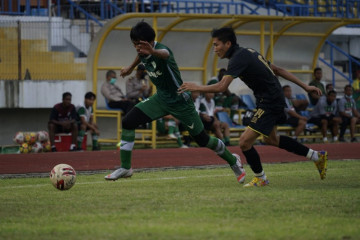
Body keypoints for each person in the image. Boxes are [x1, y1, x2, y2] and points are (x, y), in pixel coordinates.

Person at [179, 27, 328, 187]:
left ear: (228, 43)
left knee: (244, 142)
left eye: (216, 45)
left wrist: (196, 87)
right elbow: (277, 70)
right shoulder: (248, 52)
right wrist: (305, 86)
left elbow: (222, 87)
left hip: (270, 101)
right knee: (271, 139)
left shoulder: (237, 59)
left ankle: (261, 178)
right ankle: (316, 156)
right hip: (271, 99)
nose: (214, 49)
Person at [104, 22, 246, 184]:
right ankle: (125, 168)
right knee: (128, 122)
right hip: (161, 99)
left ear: (151, 42)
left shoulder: (162, 50)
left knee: (203, 140)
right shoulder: (143, 50)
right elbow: (141, 55)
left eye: (139, 44)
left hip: (180, 101)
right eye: (134, 44)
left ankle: (233, 161)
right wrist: (130, 67)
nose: (137, 47)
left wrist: (152, 51)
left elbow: (164, 54)